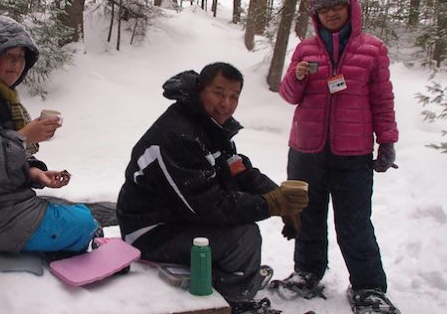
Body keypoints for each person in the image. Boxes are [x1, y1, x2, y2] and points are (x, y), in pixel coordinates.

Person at [116, 62, 309, 314]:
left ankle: (224, 276)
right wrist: (269, 205)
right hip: (148, 231)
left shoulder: (209, 125)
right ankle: (235, 301)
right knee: (243, 237)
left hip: (178, 218)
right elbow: (207, 206)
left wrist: (277, 197)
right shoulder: (177, 135)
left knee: (239, 230)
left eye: (234, 96)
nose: (226, 103)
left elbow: (238, 169)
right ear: (199, 90)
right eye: (218, 93)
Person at [275, 0, 400, 312]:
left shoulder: (373, 49)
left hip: (353, 152)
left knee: (355, 221)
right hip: (305, 150)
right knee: (305, 215)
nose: (331, 13)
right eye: (324, 8)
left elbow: (382, 99)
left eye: (337, 6)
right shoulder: (305, 49)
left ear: (351, 7)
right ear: (316, 13)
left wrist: (386, 141)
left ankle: (369, 287)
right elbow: (289, 96)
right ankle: (307, 273)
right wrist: (297, 76)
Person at [0, 15, 99, 254]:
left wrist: (34, 173)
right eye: (8, 56)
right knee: (82, 224)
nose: (16, 64)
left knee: (82, 214)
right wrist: (24, 137)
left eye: (21, 57)